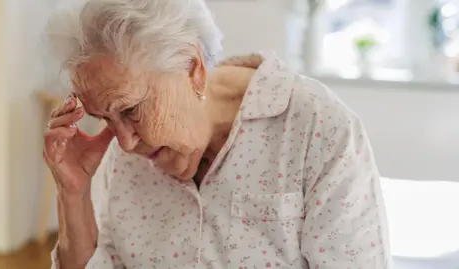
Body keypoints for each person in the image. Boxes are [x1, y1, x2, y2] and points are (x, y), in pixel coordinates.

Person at [43, 0, 392, 268]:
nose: (125, 142)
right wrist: (73, 194)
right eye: (103, 118)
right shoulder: (123, 154)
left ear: (192, 69)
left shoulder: (316, 129)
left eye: (131, 111)